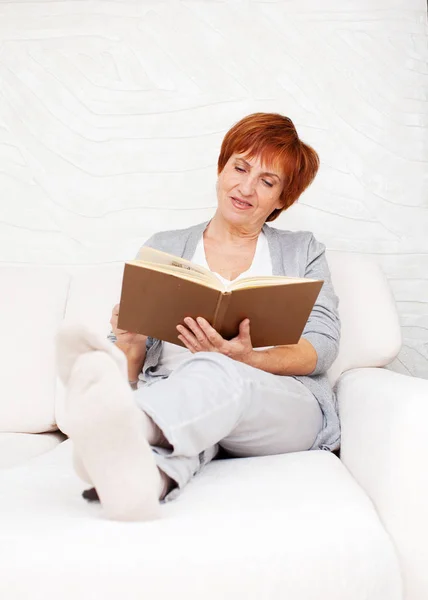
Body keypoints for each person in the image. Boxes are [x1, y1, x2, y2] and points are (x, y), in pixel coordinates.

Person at [56, 112, 341, 522]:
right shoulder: (166, 246)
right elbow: (136, 360)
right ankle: (139, 483)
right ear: (221, 168)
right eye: (239, 167)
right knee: (196, 426)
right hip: (182, 396)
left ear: (282, 198)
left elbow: (324, 347)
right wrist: (131, 346)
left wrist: (246, 359)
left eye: (267, 180)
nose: (245, 187)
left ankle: (123, 423)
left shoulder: (303, 250)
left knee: (216, 371)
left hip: (282, 405)